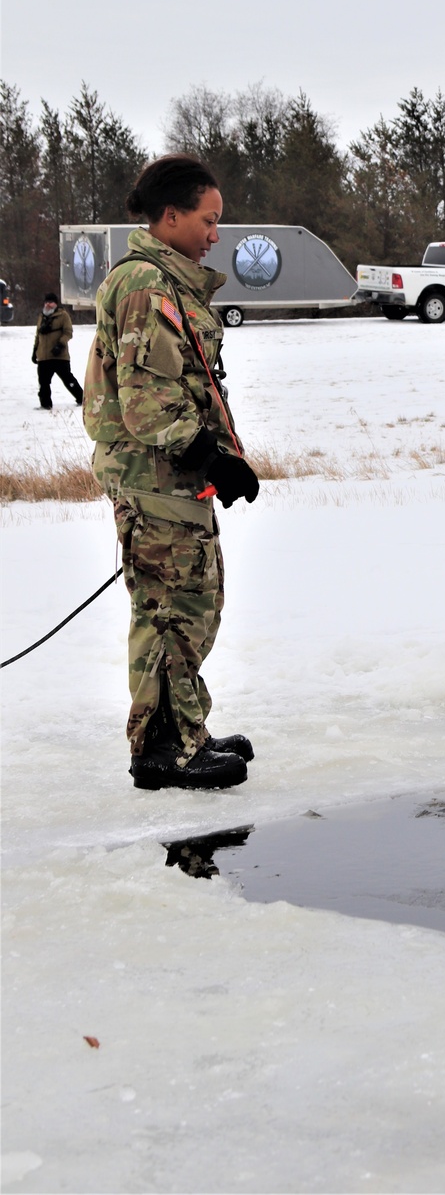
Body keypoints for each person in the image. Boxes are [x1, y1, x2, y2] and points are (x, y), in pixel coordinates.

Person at [83, 154, 260, 790]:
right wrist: (206, 454)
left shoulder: (172, 285)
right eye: (209, 221)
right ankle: (160, 748)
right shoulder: (144, 288)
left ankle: (185, 728)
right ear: (172, 216)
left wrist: (222, 456)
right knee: (167, 609)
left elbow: (190, 386)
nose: (216, 234)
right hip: (153, 477)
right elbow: (147, 400)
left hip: (175, 477)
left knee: (196, 601)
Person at [32, 292, 83, 408]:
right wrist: (35, 350)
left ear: (55, 304)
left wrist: (60, 345)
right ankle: (45, 404)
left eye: (50, 302)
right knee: (43, 382)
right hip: (43, 356)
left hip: (59, 356)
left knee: (68, 379)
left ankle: (82, 398)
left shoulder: (63, 315)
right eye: (46, 302)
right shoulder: (42, 316)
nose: (48, 305)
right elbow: (38, 335)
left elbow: (68, 332)